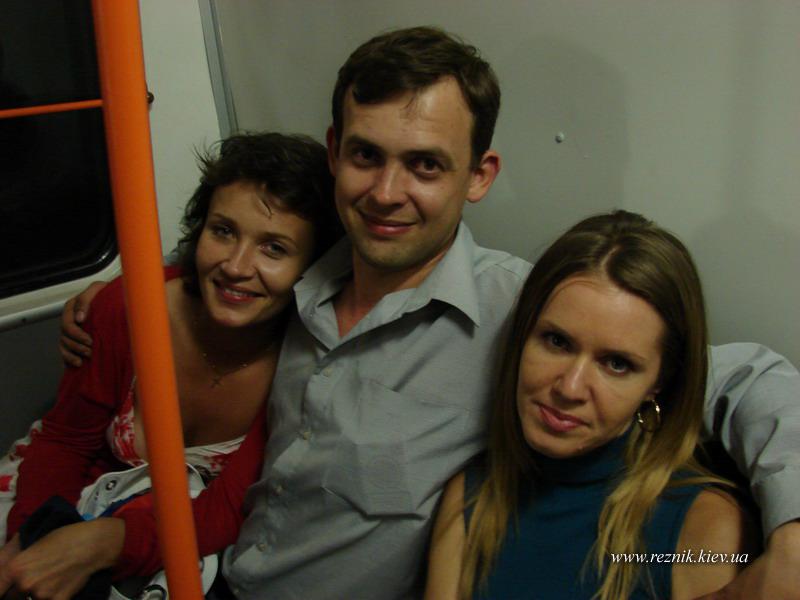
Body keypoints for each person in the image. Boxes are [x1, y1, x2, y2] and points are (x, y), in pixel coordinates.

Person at [36, 27, 800, 600]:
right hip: (223, 575)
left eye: (426, 164)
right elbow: (233, 256)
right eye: (366, 155)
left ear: (479, 175)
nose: (386, 193)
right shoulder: (309, 269)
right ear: (334, 153)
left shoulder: (524, 317)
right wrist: (128, 289)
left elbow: (745, 377)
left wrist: (794, 537)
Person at [0, 132, 341, 597]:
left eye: (274, 249)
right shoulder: (128, 307)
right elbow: (65, 441)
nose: (236, 266)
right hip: (66, 491)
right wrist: (34, 532)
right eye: (223, 231)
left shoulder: (302, 361)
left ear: (312, 268)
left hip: (179, 533)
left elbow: (227, 510)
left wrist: (105, 544)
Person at [424, 210, 759, 600]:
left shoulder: (705, 526)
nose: (570, 388)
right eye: (557, 342)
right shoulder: (473, 494)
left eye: (616, 364)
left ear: (658, 383)